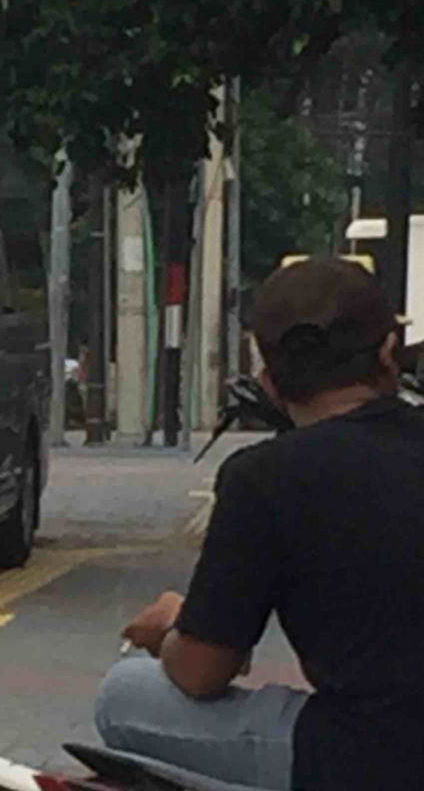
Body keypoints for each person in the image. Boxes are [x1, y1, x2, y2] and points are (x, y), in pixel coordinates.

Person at [95, 258, 424, 790]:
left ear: (270, 382)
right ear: (388, 353)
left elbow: (201, 672)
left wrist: (175, 627)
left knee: (124, 694)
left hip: (365, 758)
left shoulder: (263, 478)